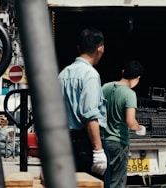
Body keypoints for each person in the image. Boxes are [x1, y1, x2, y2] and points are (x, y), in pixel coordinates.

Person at [58, 28, 110, 187]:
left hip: (65, 143)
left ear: (79, 48)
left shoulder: (63, 74)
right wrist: (98, 150)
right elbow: (90, 115)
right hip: (85, 144)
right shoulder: (90, 75)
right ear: (100, 48)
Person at [102, 60, 146, 188]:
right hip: (119, 142)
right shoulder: (129, 94)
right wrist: (140, 128)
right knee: (117, 182)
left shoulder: (106, 87)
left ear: (123, 72)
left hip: (105, 141)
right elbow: (131, 122)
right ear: (137, 78)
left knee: (106, 180)